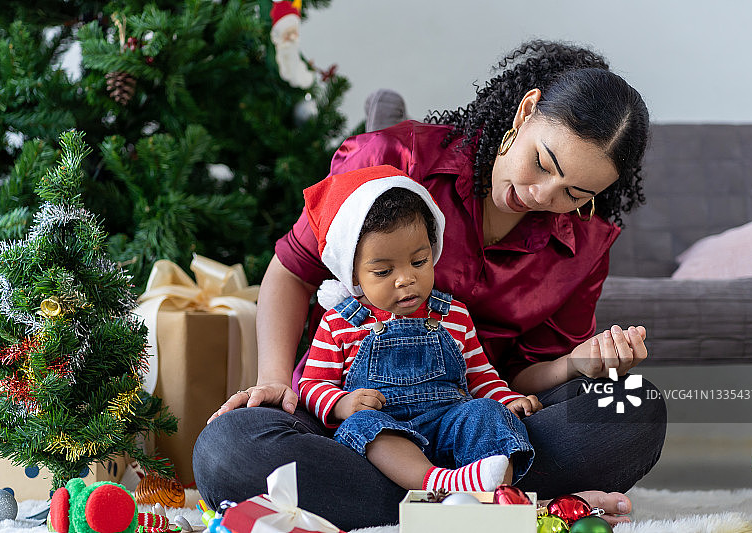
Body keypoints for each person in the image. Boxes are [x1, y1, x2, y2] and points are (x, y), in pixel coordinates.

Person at [194, 40, 667, 530]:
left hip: (484, 422)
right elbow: (292, 271)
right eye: (543, 163)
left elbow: (520, 380)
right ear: (526, 112)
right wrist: (274, 383)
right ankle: (509, 510)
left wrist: (576, 364)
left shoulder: (584, 245)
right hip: (348, 419)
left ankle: (446, 506)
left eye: (574, 193)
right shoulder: (395, 159)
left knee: (635, 408)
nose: (541, 195)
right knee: (227, 451)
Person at [299, 167, 538, 493]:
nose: (405, 279)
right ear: (353, 274)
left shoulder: (453, 314)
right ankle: (436, 484)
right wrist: (342, 403)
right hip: (389, 438)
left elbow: (481, 376)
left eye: (419, 262)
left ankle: (494, 494)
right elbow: (312, 384)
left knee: (485, 411)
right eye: (383, 271)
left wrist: (507, 400)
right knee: (363, 426)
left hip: (450, 427)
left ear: (433, 251)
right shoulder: (339, 324)